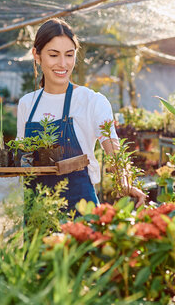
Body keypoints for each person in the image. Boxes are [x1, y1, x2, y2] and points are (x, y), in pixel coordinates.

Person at [16, 18, 147, 211]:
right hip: (37, 209)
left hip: (80, 207)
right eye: (53, 55)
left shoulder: (92, 101)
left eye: (69, 55)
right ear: (37, 55)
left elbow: (113, 148)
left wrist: (124, 181)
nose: (63, 64)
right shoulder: (27, 103)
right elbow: (23, 158)